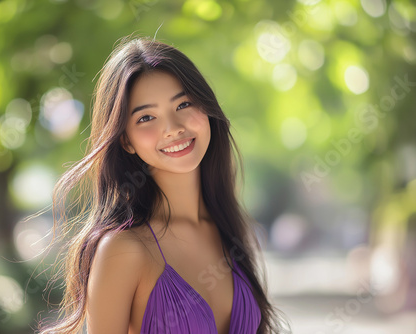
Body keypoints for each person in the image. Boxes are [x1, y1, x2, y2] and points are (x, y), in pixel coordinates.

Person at [36, 34, 290, 334]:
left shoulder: (228, 229)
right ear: (125, 140)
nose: (173, 128)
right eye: (146, 118)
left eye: (183, 104)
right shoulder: (123, 250)